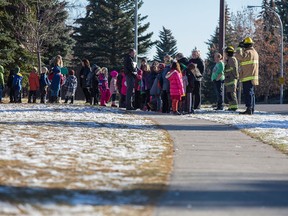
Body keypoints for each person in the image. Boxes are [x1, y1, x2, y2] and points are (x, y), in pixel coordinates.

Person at [235, 37, 259, 115]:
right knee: (251, 93)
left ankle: (249, 109)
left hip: (247, 76)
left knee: (248, 93)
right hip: (252, 76)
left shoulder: (248, 52)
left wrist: (239, 48)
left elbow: (239, 56)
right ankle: (251, 109)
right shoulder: (254, 52)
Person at [224, 46, 239, 111]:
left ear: (227, 53)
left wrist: (236, 76)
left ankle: (234, 106)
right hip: (228, 79)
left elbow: (234, 69)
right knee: (229, 93)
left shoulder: (232, 59)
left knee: (232, 93)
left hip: (231, 78)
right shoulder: (229, 59)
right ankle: (231, 106)